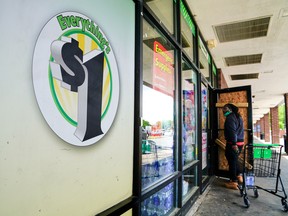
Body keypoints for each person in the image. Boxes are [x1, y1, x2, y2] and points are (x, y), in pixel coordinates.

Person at [223, 103, 244, 190]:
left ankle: (233, 181)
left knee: (231, 161)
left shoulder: (230, 118)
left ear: (230, 109)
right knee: (234, 160)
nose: (223, 111)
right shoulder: (238, 117)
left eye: (225, 109)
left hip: (233, 143)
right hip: (240, 142)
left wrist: (234, 144)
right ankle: (239, 175)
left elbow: (232, 132)